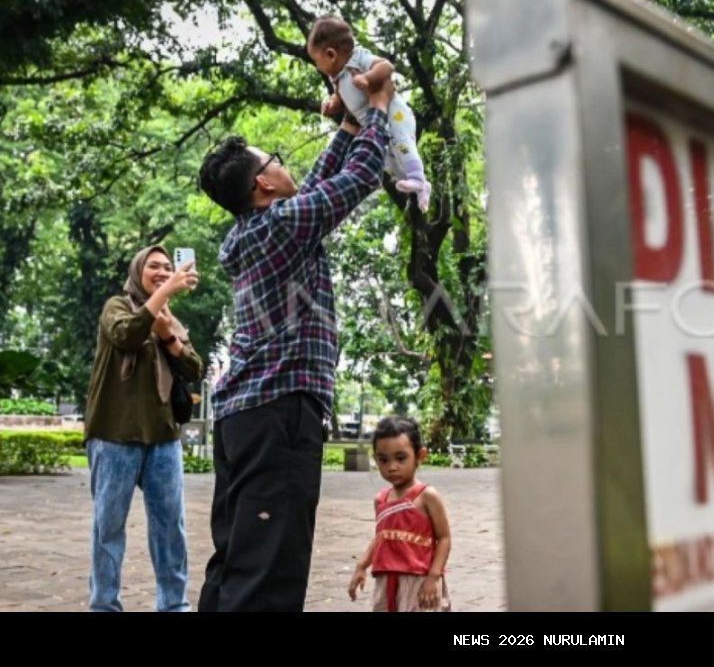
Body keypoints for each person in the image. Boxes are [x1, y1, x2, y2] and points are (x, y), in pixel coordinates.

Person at [195, 64, 396, 612]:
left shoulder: (256, 231)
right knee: (269, 569)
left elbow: (316, 192)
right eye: (275, 162)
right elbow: (350, 186)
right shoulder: (282, 227)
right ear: (263, 183)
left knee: (237, 555)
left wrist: (350, 127)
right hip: (278, 412)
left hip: (245, 418)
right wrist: (377, 109)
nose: (283, 168)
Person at [83, 245, 203, 612]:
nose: (163, 272)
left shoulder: (169, 318)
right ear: (138, 272)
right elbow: (127, 336)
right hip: (114, 435)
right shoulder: (116, 307)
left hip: (163, 439)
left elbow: (194, 368)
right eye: (154, 266)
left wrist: (169, 336)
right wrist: (164, 297)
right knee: (109, 529)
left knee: (170, 529)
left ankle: (173, 605)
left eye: (169, 267)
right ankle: (104, 605)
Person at [307, 14, 432, 213]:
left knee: (401, 142)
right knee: (389, 161)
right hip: (375, 126)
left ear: (331, 54)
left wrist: (368, 77)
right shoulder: (337, 79)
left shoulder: (358, 59)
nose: (316, 66)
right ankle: (421, 186)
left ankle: (417, 177)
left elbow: (387, 66)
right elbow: (341, 99)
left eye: (316, 60)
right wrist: (332, 105)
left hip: (393, 114)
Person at [347, 416, 452, 612]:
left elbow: (444, 538)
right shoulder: (381, 499)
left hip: (419, 580)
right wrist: (361, 566)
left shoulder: (427, 496)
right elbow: (381, 537)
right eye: (383, 460)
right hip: (386, 580)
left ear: (420, 456)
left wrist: (433, 576)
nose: (392, 467)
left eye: (401, 458)